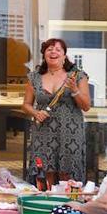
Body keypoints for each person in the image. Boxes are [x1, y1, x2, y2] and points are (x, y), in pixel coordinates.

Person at [23, 38, 91, 185]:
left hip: (70, 132)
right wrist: (35, 113)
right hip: (43, 130)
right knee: (44, 171)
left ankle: (66, 204)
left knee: (67, 171)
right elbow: (26, 104)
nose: (53, 52)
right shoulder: (34, 77)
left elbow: (86, 106)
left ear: (64, 55)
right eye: (49, 49)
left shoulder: (77, 75)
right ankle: (45, 201)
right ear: (44, 55)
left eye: (58, 50)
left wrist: (74, 90)